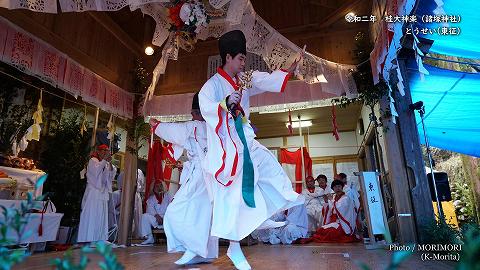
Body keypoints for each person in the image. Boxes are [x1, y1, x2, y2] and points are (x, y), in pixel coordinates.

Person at [198, 30, 304, 270]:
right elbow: (207, 107)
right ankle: (235, 246)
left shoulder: (243, 79)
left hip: (245, 137)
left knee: (269, 167)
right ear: (228, 57)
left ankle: (265, 215)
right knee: (234, 194)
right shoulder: (212, 85)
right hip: (227, 143)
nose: (244, 63)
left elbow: (264, 80)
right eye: (240, 58)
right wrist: (226, 103)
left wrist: (290, 70)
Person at [149, 92, 218, 265]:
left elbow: (175, 131)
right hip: (210, 176)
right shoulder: (214, 127)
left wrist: (156, 125)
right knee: (204, 213)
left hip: (199, 177)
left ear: (196, 112)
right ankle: (204, 253)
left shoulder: (195, 126)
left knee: (179, 209)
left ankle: (193, 248)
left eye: (193, 113)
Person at [77, 144, 116, 244]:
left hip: (102, 192)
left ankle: (101, 238)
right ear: (98, 151)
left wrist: (109, 162)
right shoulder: (93, 160)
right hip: (93, 192)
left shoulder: (105, 163)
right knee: (93, 215)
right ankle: (90, 238)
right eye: (103, 150)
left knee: (102, 215)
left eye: (107, 150)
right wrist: (105, 161)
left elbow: (111, 174)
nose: (105, 152)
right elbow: (96, 172)